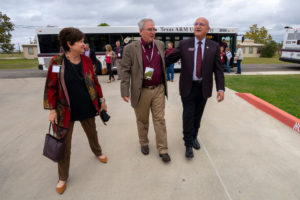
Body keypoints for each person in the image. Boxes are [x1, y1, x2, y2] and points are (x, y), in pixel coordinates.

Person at [43, 27, 108, 194]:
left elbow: (94, 82)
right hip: (65, 110)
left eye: (83, 41)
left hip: (87, 106)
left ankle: (98, 152)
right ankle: (62, 177)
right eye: (80, 41)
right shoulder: (57, 63)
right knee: (63, 144)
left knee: (92, 132)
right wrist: (52, 110)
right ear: (69, 44)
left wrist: (102, 100)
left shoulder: (86, 61)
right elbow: (51, 87)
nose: (83, 44)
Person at [166, 17, 225, 158]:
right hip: (188, 87)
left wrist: (220, 89)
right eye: (196, 24)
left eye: (201, 24)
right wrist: (154, 61)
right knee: (188, 115)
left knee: (198, 116)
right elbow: (169, 59)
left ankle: (194, 137)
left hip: (203, 88)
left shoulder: (214, 46)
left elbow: (218, 70)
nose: (197, 26)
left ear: (207, 29)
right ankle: (187, 144)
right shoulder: (185, 44)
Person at [120, 18, 171, 162]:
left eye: (154, 29)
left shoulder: (160, 45)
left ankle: (163, 149)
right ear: (141, 31)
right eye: (150, 29)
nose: (153, 32)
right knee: (142, 120)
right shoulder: (130, 48)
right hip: (141, 90)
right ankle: (144, 142)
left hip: (159, 89)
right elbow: (124, 70)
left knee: (160, 119)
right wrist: (124, 91)